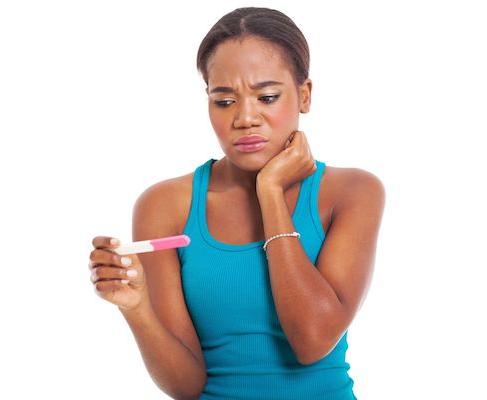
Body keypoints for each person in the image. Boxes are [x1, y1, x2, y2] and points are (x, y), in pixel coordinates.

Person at [89, 6, 385, 400]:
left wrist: (271, 192)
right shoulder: (165, 204)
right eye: (224, 101)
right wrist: (136, 307)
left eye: (267, 96)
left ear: (304, 95)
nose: (246, 117)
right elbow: (185, 385)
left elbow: (312, 340)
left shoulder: (352, 192)